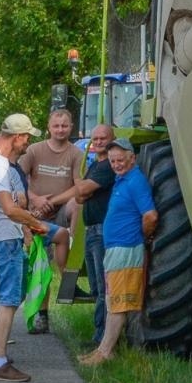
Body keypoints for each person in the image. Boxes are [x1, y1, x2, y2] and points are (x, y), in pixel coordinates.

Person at [0, 113, 49, 382]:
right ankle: (0, 363)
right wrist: (37, 224)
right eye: (26, 137)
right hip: (3, 237)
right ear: (16, 137)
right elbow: (9, 209)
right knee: (9, 299)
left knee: (8, 296)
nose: (27, 142)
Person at [79, 137, 156, 366]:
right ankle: (103, 349)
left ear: (132, 158)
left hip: (126, 248)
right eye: (112, 161)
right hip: (116, 249)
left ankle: (105, 353)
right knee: (114, 300)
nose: (116, 164)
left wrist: (143, 236)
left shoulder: (135, 181)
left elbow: (150, 215)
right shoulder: (122, 179)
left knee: (118, 303)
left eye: (120, 160)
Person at [20, 108, 79, 332]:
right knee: (39, 266)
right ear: (49, 127)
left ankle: (68, 276)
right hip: (35, 214)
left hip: (61, 209)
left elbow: (78, 186)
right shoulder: (34, 150)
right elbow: (19, 178)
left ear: (71, 128)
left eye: (65, 126)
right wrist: (35, 199)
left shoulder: (75, 153)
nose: (60, 129)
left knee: (78, 204)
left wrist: (52, 201)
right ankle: (41, 315)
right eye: (56, 125)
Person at [61, 124, 115, 345]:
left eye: (103, 138)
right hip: (92, 230)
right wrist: (83, 189)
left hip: (103, 230)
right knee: (95, 286)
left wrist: (82, 187)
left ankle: (101, 338)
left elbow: (81, 192)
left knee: (103, 288)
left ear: (112, 139)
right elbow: (81, 197)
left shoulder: (108, 166)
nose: (99, 142)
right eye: (95, 138)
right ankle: (98, 331)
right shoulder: (96, 165)